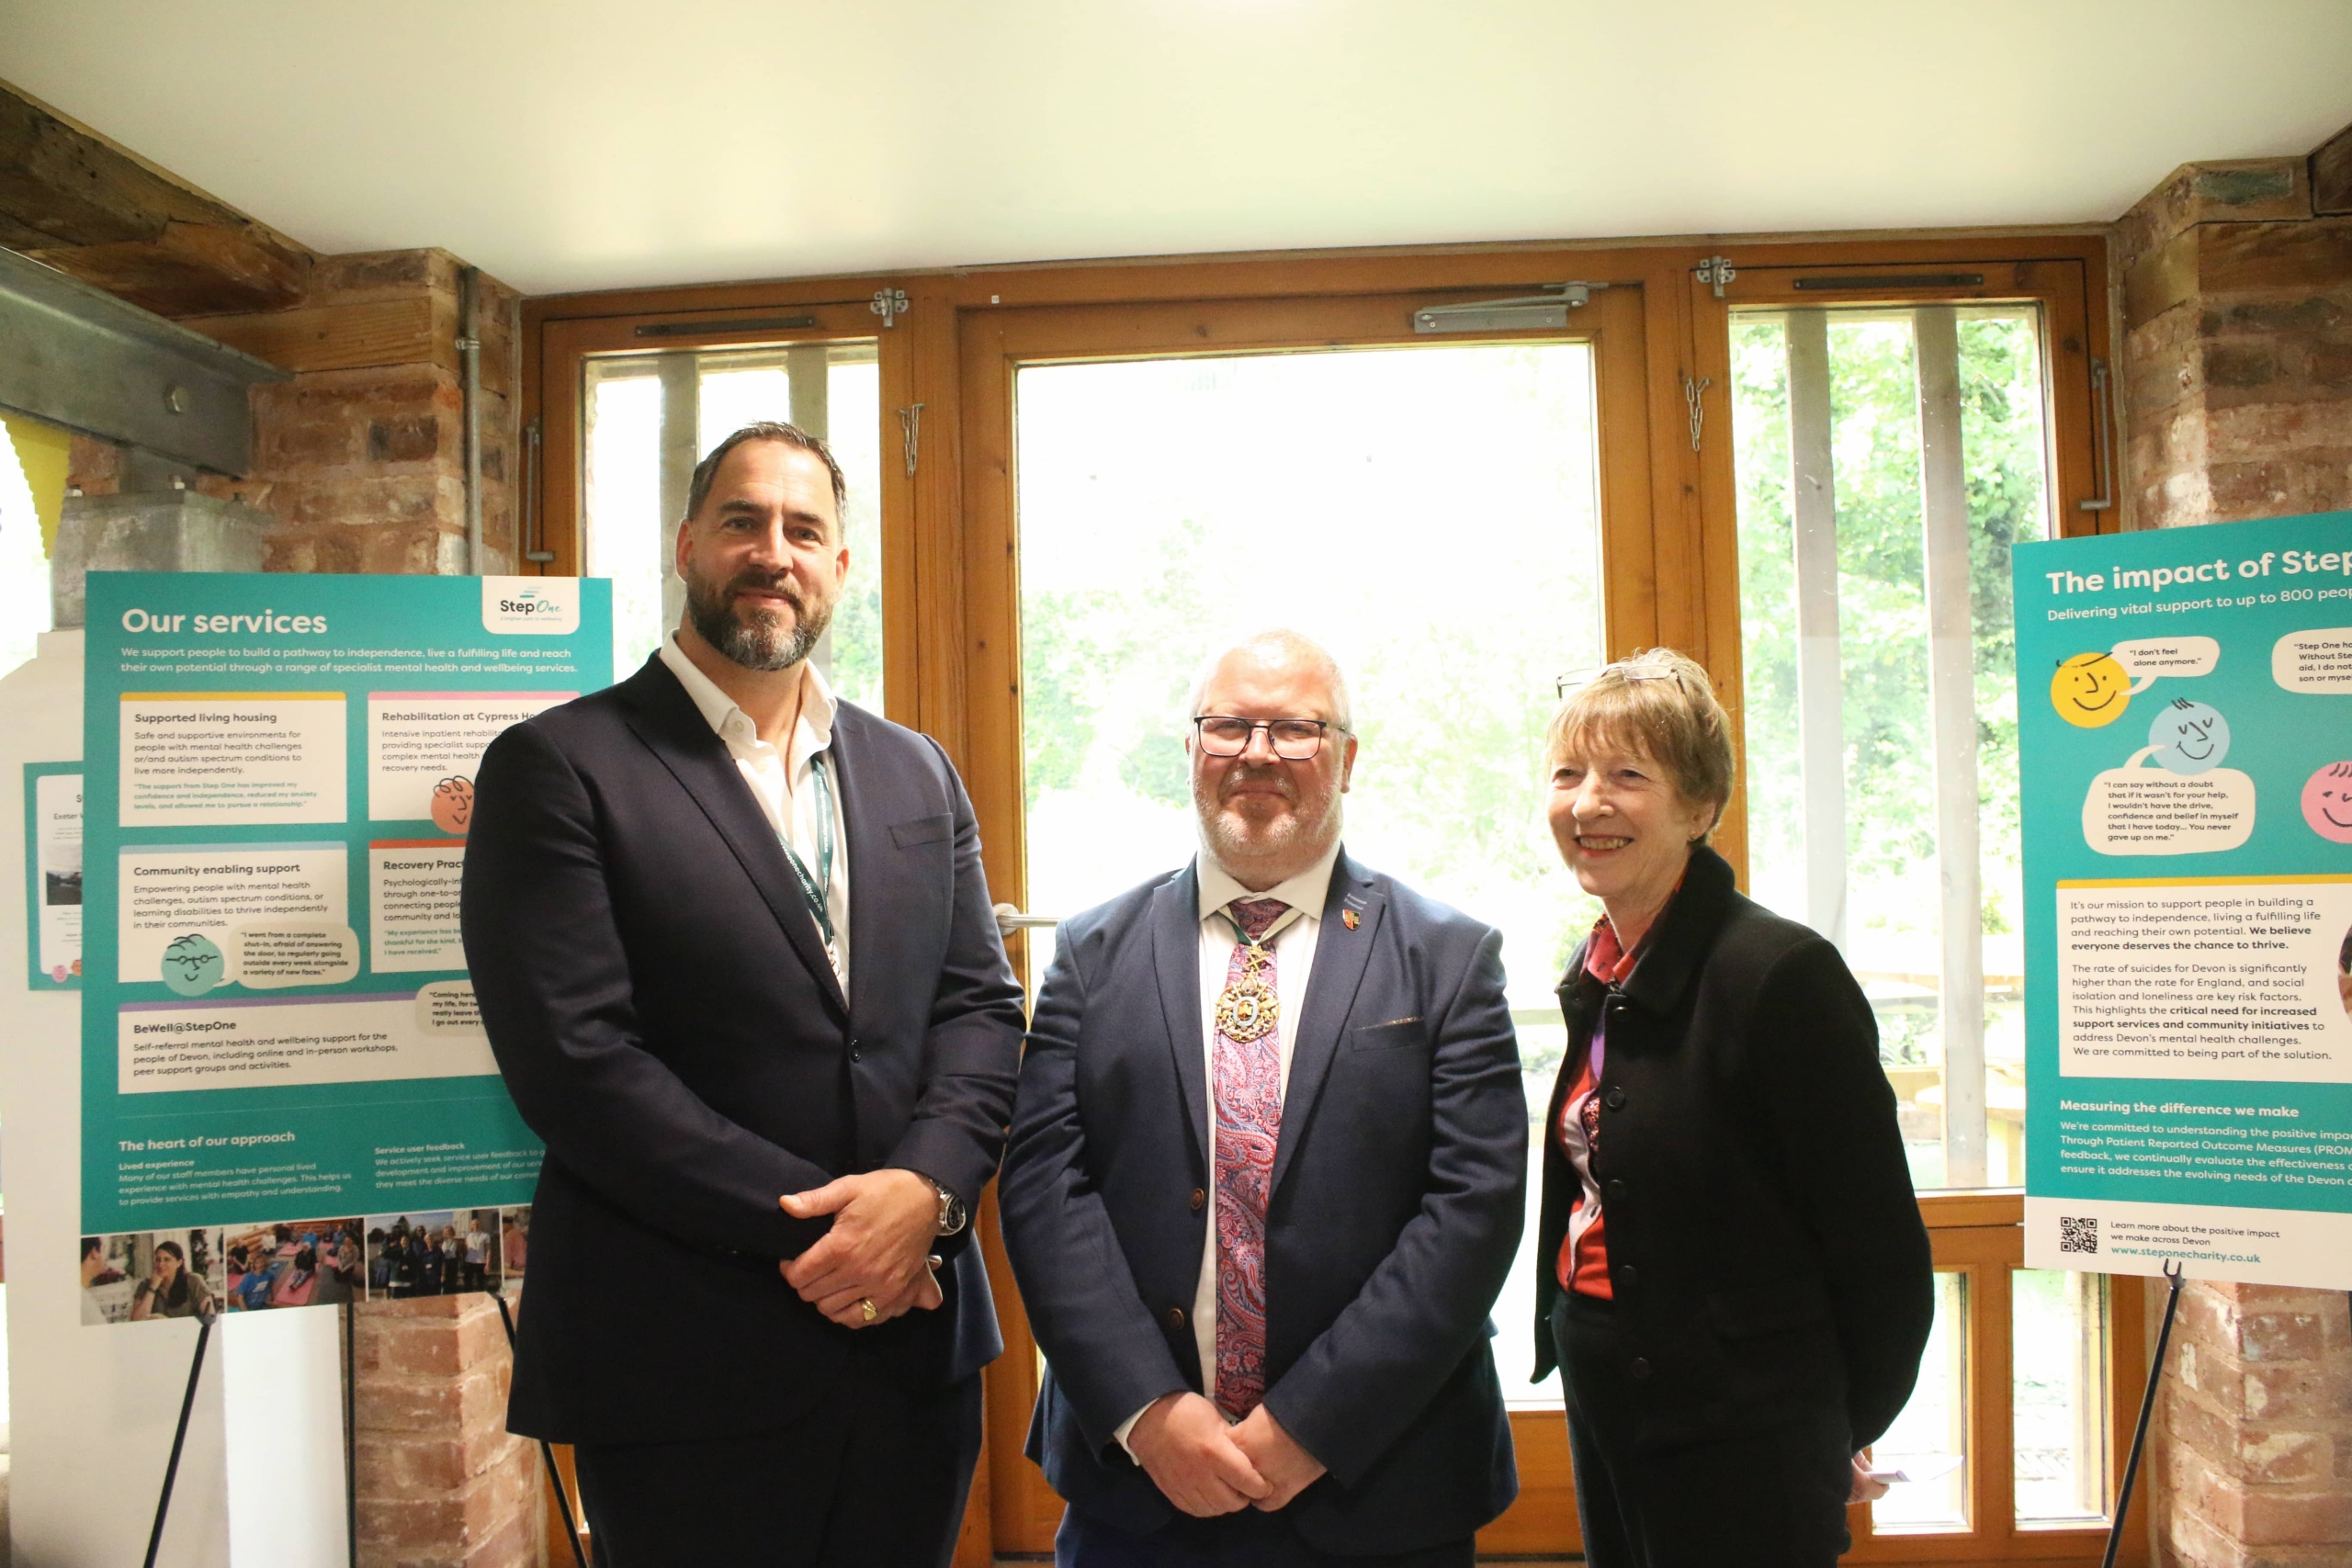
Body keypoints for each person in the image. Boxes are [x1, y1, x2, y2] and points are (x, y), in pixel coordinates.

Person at [463, 420, 1026, 1567]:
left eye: (804, 529)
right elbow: (579, 1065)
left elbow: (977, 1007)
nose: (774, 551)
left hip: (914, 1346)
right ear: (685, 545)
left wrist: (923, 1193)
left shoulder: (913, 767)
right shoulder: (561, 766)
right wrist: (844, 1230)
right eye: (742, 522)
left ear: (838, 568)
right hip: (686, 1352)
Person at [1000, 630, 1527, 1568]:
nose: (1256, 753)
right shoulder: (1091, 953)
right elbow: (1046, 1192)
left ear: (1347, 758)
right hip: (1139, 1488)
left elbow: (1471, 1214)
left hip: (1381, 1484)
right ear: (1192, 749)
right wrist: (1149, 1411)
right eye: (1229, 726)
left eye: (1294, 729)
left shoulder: (1449, 961)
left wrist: (1310, 1423)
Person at [1531, 651, 1934, 1568]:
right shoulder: (1602, 967)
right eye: (1568, 774)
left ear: (1700, 807)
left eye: (1627, 776)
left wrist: (1832, 1425)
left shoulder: (1777, 976)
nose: (1589, 803)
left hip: (1744, 1428)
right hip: (1612, 1395)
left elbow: (1879, 1255)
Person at [130, 1239, 216, 1322]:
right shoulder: (145, 1285)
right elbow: (136, 1321)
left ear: (179, 1263)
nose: (160, 1264)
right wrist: (152, 1288)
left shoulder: (193, 1280)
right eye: (158, 1260)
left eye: (167, 1260)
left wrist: (168, 1322)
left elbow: (210, 1317)